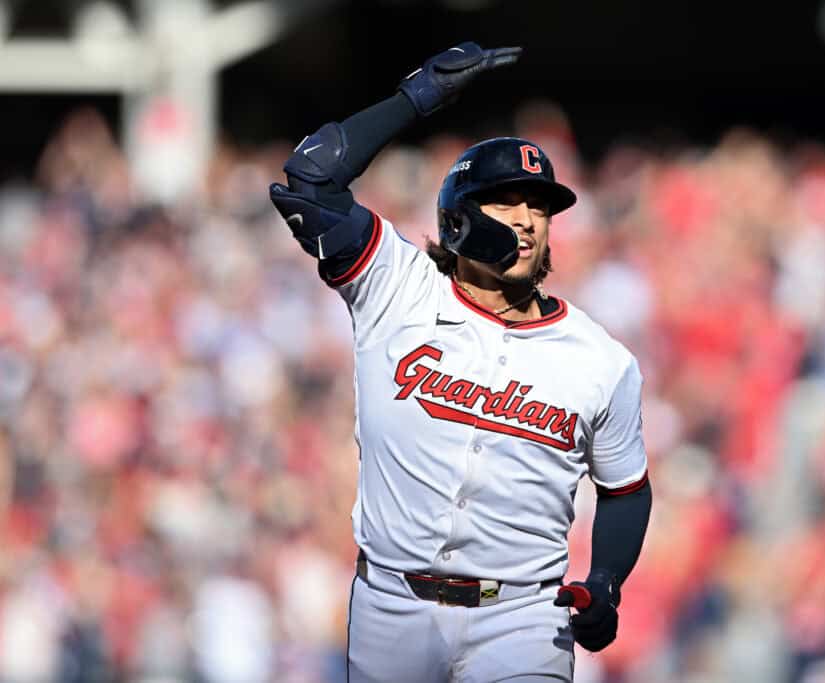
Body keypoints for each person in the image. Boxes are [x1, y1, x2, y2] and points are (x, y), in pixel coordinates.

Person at [268, 43, 652, 682]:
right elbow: (309, 179)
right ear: (457, 221)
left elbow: (626, 489)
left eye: (540, 207)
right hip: (391, 606)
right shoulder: (395, 285)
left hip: (524, 616)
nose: (528, 221)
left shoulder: (600, 360)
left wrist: (606, 580)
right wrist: (415, 100)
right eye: (507, 201)